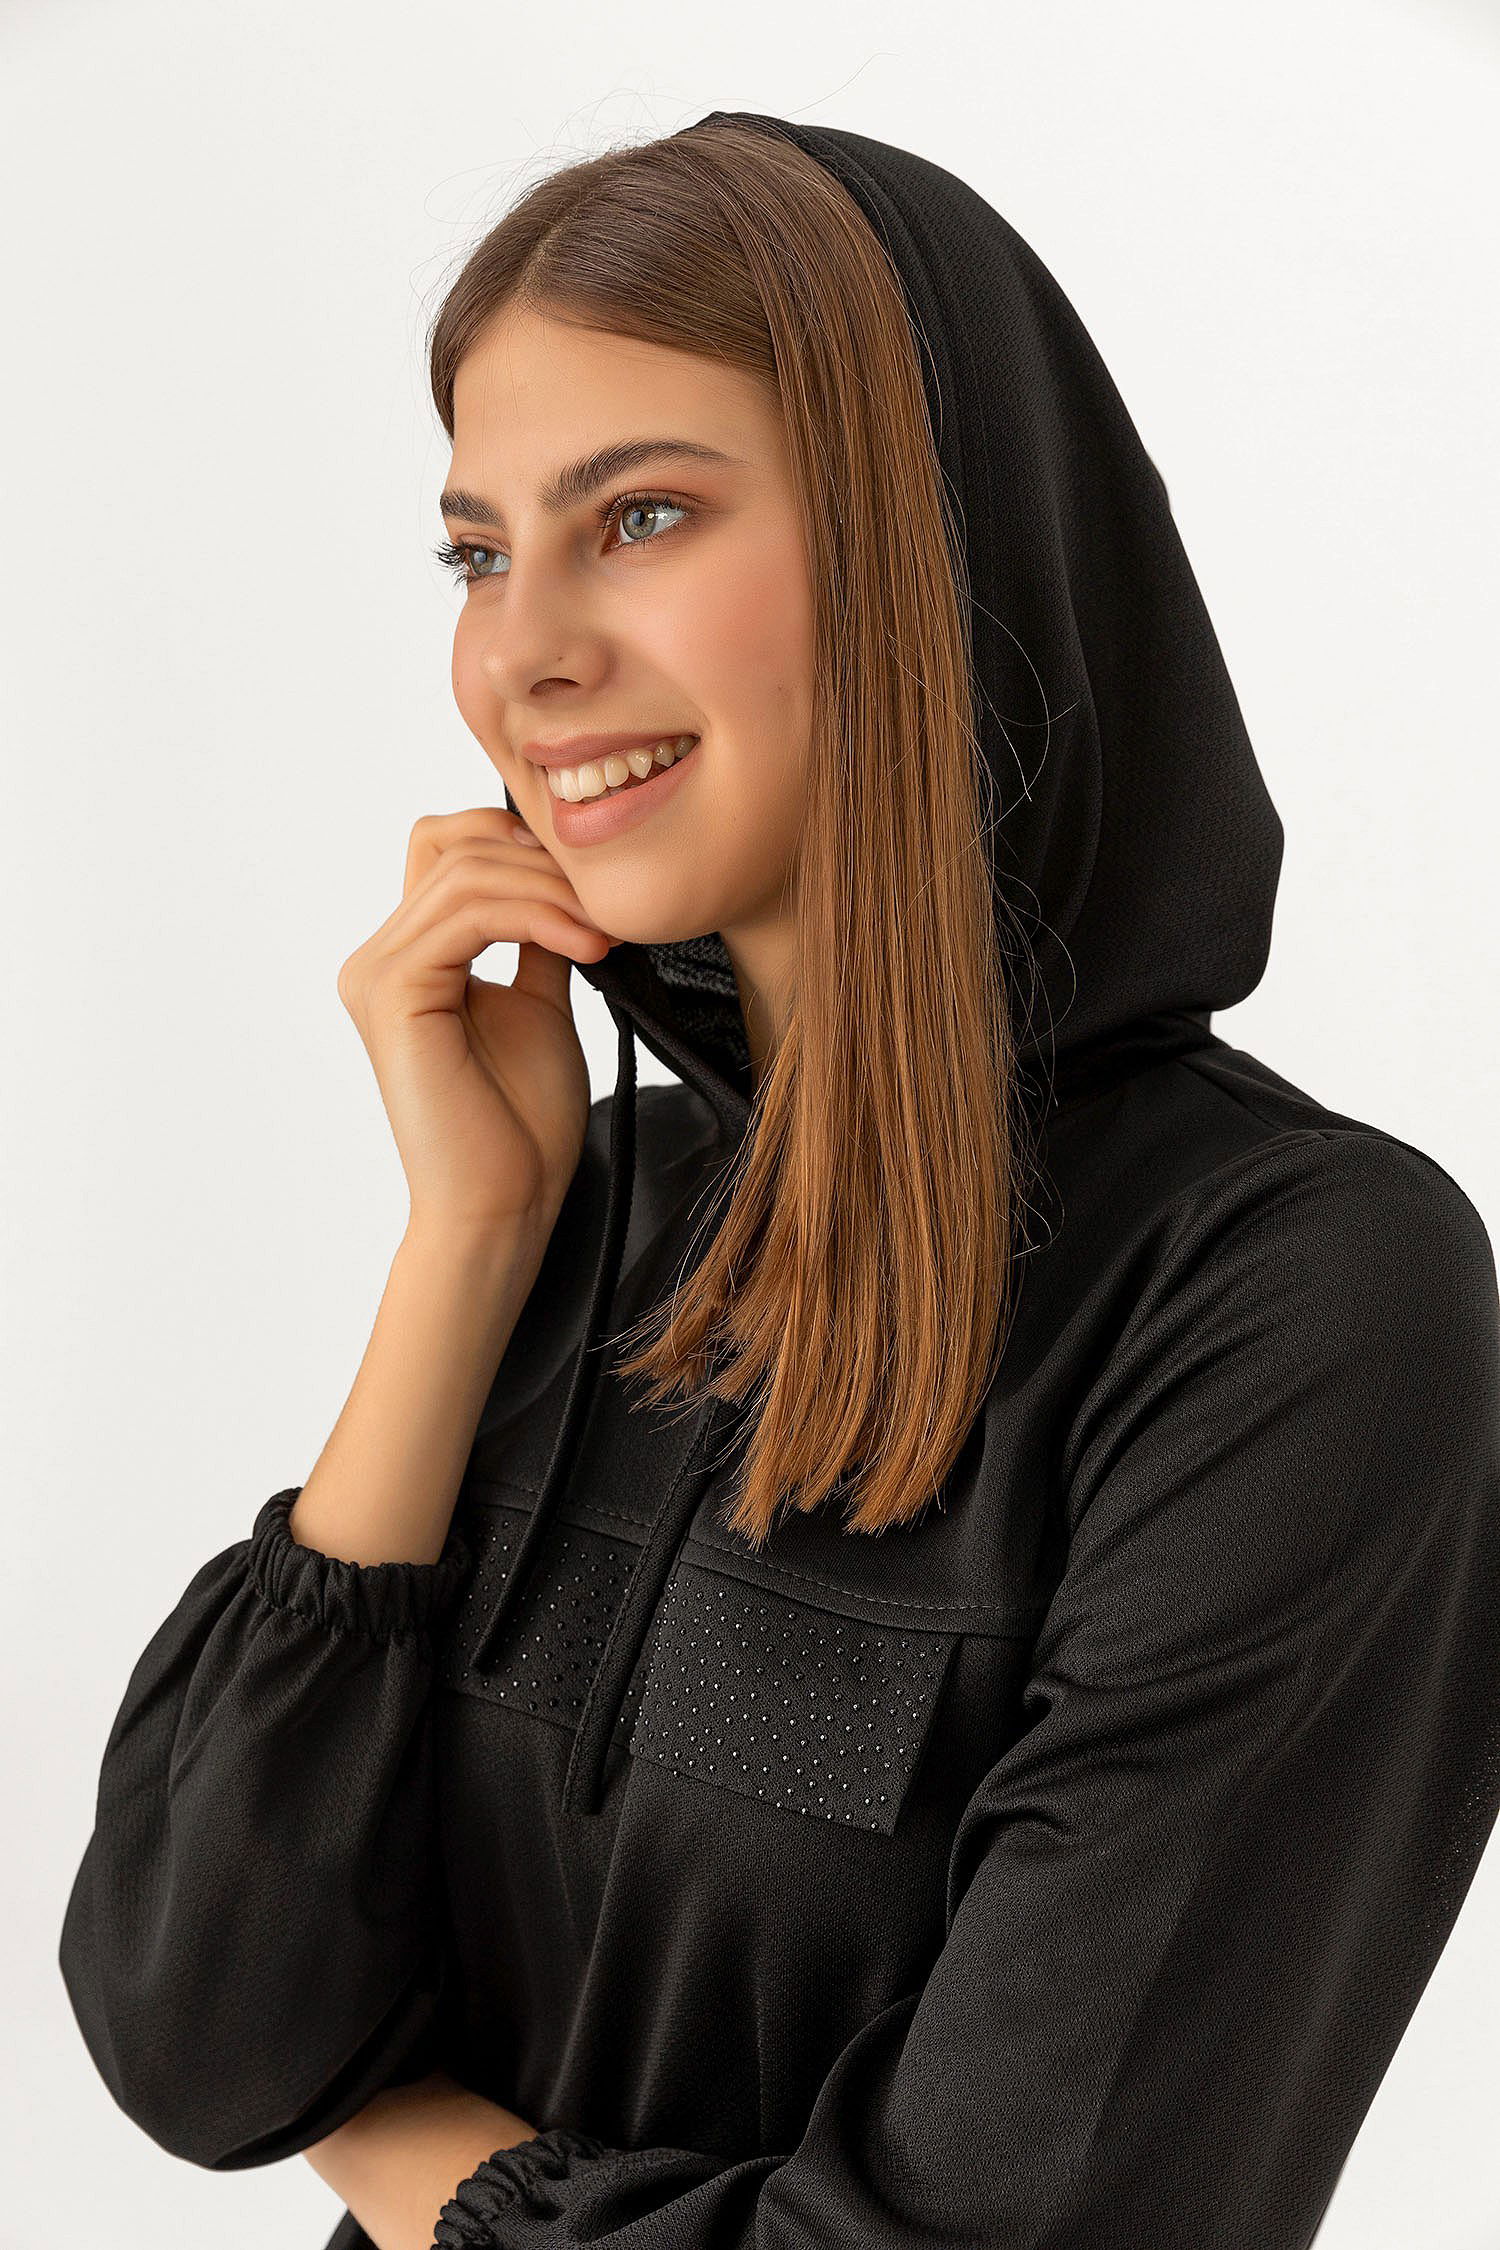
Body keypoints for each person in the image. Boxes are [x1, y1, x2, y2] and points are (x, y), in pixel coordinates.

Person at [57, 109, 1500, 2250]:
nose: (518, 657)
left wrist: (401, 2146)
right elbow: (197, 2022)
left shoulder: (1293, 1304)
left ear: (932, 548)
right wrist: (468, 1240)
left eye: (638, 516)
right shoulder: (594, 1206)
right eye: (477, 553)